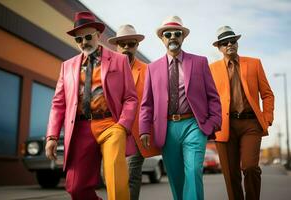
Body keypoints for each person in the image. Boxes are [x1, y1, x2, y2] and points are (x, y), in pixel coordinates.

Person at [45, 11, 138, 200]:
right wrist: (52, 136)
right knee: (75, 188)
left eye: (88, 37)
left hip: (110, 125)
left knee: (115, 179)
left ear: (98, 35)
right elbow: (58, 103)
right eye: (79, 39)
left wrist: (122, 126)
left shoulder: (119, 61)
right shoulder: (67, 66)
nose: (84, 42)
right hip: (80, 129)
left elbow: (130, 98)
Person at [139, 16, 222, 200]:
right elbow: (147, 103)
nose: (172, 37)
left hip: (194, 125)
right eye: (167, 34)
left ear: (183, 37)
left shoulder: (200, 62)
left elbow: (213, 97)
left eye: (177, 34)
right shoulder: (152, 69)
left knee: (193, 171)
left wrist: (212, 123)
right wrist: (144, 128)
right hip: (167, 129)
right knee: (176, 179)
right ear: (162, 39)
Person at [209, 26, 274, 200]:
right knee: (231, 175)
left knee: (250, 167)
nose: (229, 44)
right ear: (219, 47)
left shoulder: (254, 63)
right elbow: (207, 98)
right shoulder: (211, 69)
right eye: (225, 42)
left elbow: (267, 94)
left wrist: (267, 118)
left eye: (233, 41)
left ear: (237, 43)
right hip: (224, 126)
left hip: (251, 123)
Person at [108, 24, 161, 200]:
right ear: (116, 46)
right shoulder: (107, 70)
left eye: (131, 44)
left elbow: (156, 101)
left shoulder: (148, 70)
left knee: (131, 174)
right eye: (122, 44)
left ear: (137, 46)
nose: (126, 48)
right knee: (114, 176)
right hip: (111, 131)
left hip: (137, 133)